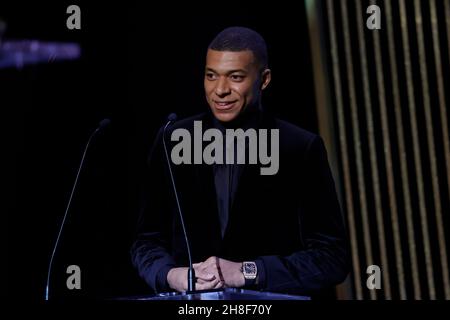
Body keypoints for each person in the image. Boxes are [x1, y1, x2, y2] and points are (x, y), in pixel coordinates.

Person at [131, 26, 349, 297]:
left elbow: (332, 259)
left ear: (264, 79)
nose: (220, 90)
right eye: (211, 76)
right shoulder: (172, 139)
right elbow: (146, 242)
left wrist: (248, 271)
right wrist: (171, 275)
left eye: (235, 77)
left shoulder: (299, 148)